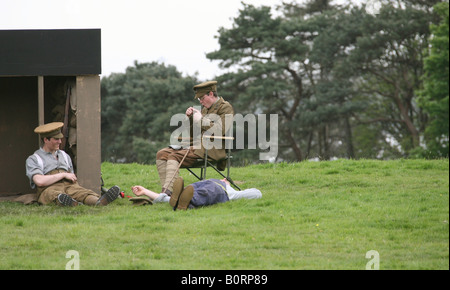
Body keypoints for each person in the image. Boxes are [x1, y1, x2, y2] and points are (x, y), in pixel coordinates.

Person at [156, 80, 234, 196]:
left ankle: (168, 193)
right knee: (162, 154)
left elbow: (220, 130)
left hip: (213, 149)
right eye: (199, 100)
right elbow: (194, 133)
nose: (201, 102)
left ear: (211, 94)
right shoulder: (205, 109)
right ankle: (167, 191)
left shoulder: (225, 108)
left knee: (174, 156)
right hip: (198, 146)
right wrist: (190, 118)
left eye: (202, 98)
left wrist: (201, 120)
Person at [25, 122, 120, 206]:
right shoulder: (34, 159)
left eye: (60, 139)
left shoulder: (64, 156)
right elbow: (40, 181)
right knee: (54, 195)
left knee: (82, 193)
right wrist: (63, 174)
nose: (60, 142)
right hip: (49, 188)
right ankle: (70, 203)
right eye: (56, 139)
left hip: (69, 186)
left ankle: (98, 202)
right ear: (46, 140)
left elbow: (72, 176)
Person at [131, 177, 262, 210]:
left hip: (219, 191)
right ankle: (182, 202)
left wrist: (227, 185)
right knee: (191, 190)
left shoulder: (231, 192)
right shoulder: (211, 180)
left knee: (205, 193)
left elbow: (257, 193)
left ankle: (183, 203)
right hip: (198, 186)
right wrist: (145, 191)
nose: (225, 179)